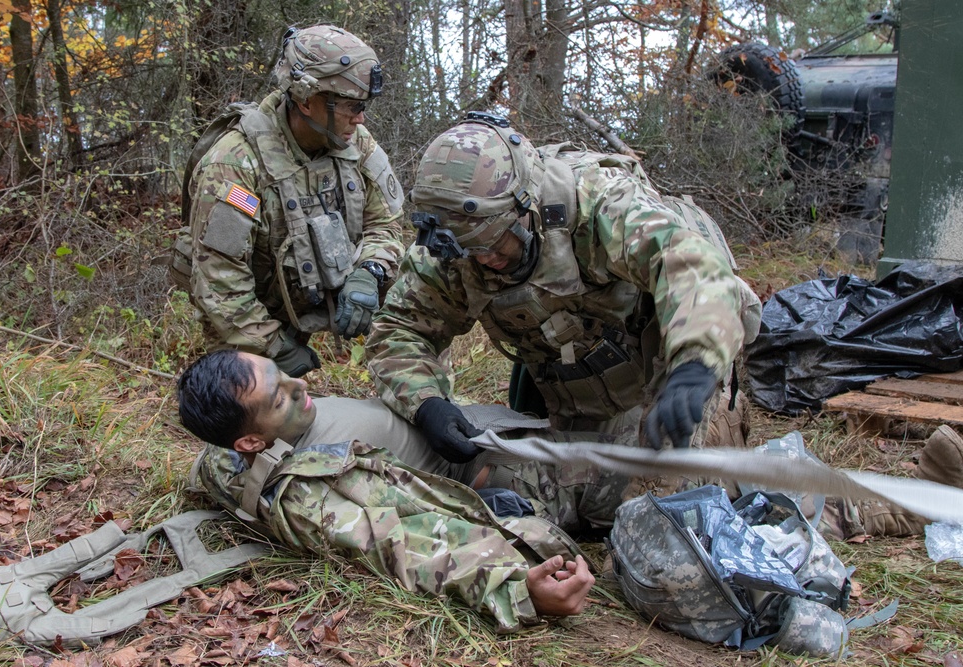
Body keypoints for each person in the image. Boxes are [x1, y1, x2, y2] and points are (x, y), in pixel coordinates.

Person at [365, 112, 762, 468]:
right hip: (574, 378)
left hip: (667, 370)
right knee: (553, 491)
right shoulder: (452, 244)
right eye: (471, 252)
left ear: (523, 207)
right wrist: (426, 403)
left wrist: (694, 365)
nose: (485, 260)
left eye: (495, 243)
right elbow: (399, 329)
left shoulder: (598, 202)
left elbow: (690, 267)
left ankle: (714, 418)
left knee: (665, 502)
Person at [178, 349, 604, 633]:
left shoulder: (231, 452)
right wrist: (518, 592)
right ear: (251, 442)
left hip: (482, 434)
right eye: (279, 400)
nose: (300, 386)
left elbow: (210, 466)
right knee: (645, 478)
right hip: (501, 475)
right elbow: (401, 547)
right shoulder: (310, 495)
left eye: (283, 374)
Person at [171, 24, 405, 378]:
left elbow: (385, 224)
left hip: (332, 286)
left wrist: (370, 273)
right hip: (253, 308)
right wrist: (273, 346)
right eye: (351, 106)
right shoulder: (235, 162)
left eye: (364, 106)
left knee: (416, 302)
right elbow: (220, 279)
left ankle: (423, 407)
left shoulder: (356, 143)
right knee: (249, 398)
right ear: (306, 100)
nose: (361, 118)